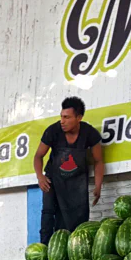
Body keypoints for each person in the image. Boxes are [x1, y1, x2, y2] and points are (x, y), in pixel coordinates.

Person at [33, 97, 105, 243]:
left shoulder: (89, 133)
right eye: (61, 116)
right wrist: (40, 176)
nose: (62, 121)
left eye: (67, 117)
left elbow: (98, 161)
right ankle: (44, 251)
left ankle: (70, 252)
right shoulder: (53, 131)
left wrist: (98, 186)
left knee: (76, 218)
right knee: (47, 214)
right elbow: (38, 156)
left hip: (76, 181)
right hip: (52, 179)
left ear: (79, 118)